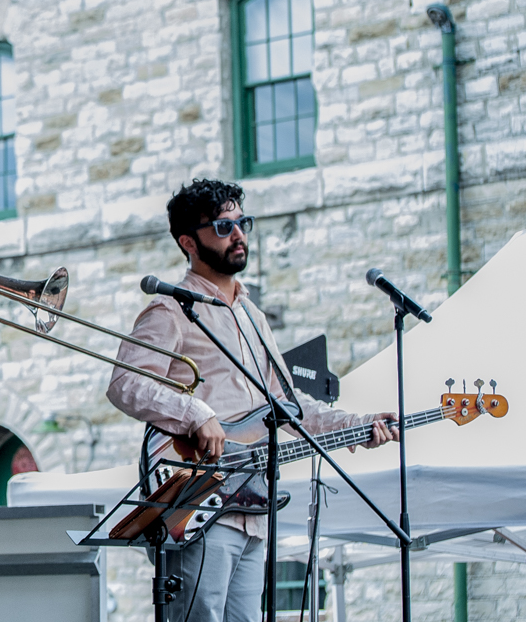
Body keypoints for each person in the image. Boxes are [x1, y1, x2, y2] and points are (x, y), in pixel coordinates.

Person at [105, 178, 399, 622]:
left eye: (243, 223)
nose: (239, 234)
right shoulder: (168, 310)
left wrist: (356, 425)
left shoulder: (252, 314)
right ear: (189, 242)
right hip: (198, 500)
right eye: (223, 227)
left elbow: (285, 405)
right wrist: (195, 413)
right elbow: (125, 383)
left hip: (252, 505)